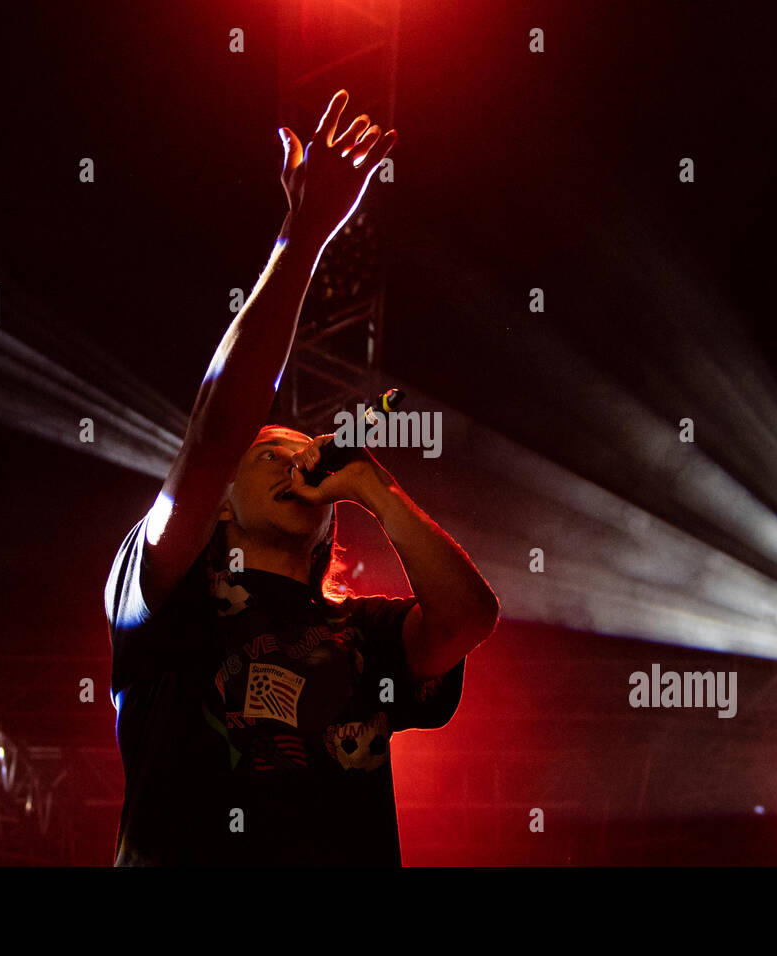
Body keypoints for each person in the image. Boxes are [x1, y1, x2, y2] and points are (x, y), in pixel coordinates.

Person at [104, 91, 500, 866]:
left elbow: (466, 621)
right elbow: (215, 432)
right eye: (268, 457)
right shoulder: (165, 592)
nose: (296, 461)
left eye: (303, 454)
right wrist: (303, 235)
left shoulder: (365, 633)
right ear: (218, 505)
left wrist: (378, 491)